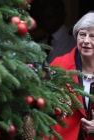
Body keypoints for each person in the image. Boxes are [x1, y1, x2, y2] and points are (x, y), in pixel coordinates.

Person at [42, 12, 94, 140]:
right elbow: (44, 107)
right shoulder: (59, 65)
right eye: (82, 35)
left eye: (93, 36)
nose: (86, 40)